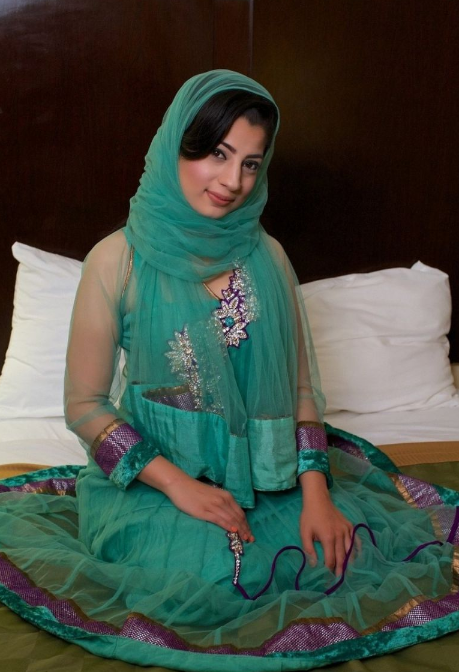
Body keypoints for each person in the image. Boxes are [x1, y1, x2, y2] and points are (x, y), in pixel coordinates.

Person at [1, 70, 459, 671]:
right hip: (157, 481)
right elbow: (84, 407)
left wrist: (316, 494)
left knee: (334, 555)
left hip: (269, 475)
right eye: (217, 154)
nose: (232, 181)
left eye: (250, 163)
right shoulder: (117, 262)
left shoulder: (267, 256)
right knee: (199, 585)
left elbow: (298, 388)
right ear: (177, 145)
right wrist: (180, 486)